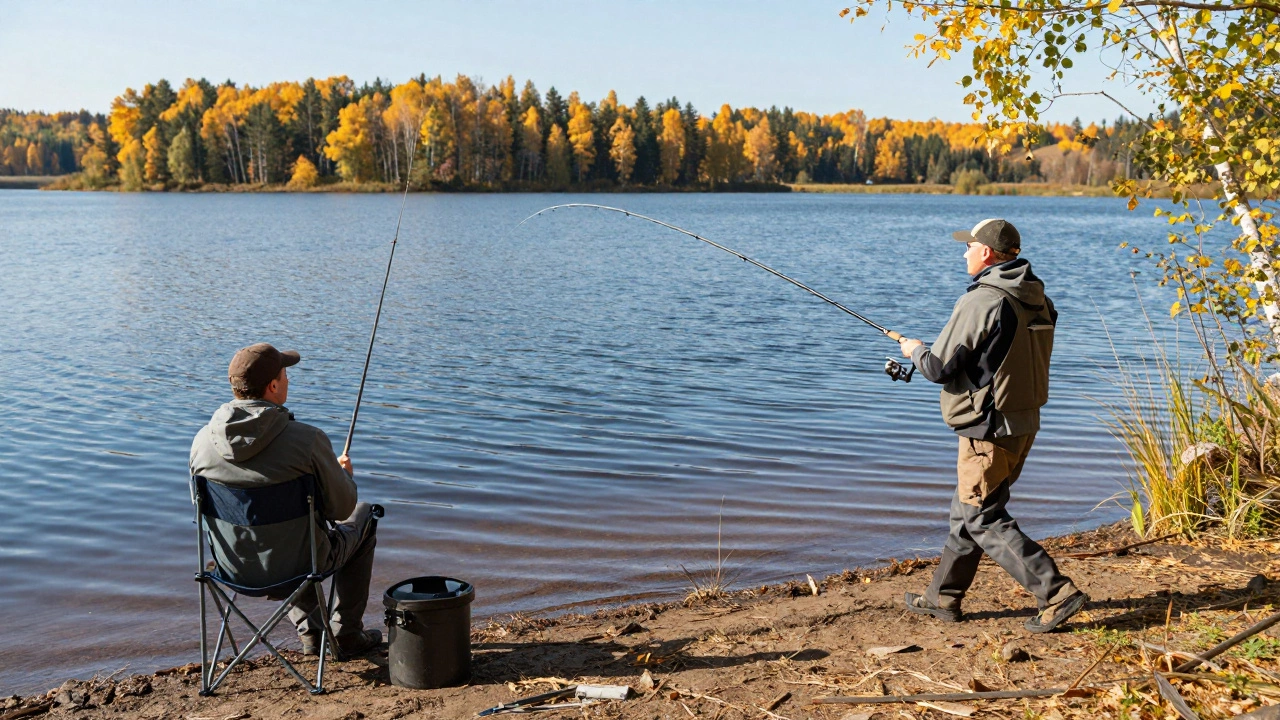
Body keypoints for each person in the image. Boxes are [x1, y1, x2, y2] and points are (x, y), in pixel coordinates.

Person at [896, 219, 1087, 633]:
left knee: (981, 515)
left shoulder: (983, 300)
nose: (963, 253)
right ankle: (942, 598)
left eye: (968, 246)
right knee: (965, 511)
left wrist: (913, 349)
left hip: (988, 427)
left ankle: (1056, 593)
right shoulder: (1037, 296)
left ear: (986, 252)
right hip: (1022, 421)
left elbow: (938, 367)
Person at [190, 342, 382, 655]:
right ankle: (346, 634)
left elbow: (201, 512)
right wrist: (343, 474)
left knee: (284, 535)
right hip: (298, 565)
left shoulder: (200, 444)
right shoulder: (307, 440)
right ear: (274, 385)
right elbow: (342, 508)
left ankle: (312, 636)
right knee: (363, 515)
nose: (289, 381)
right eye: (285, 375)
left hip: (232, 568)